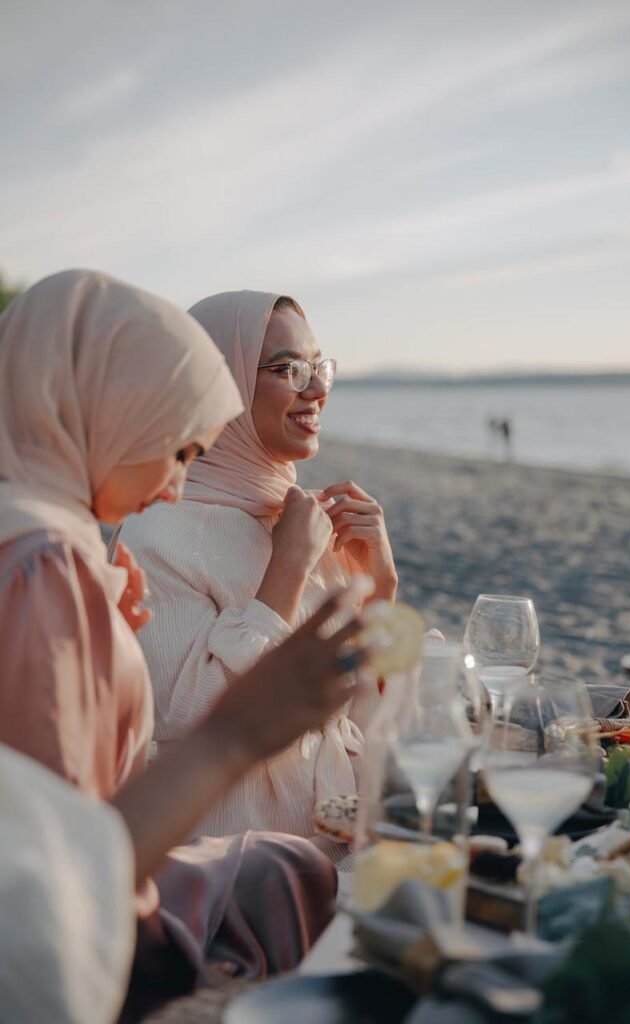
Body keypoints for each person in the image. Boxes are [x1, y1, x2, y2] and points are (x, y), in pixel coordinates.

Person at [0, 270, 365, 1020]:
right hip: (86, 931)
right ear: (104, 407)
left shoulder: (55, 544)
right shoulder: (46, 560)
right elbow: (53, 864)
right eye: (174, 445)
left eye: (316, 366)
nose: (175, 483)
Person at [0, 595, 371, 1024]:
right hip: (88, 916)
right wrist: (227, 739)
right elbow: (45, 908)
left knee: (286, 866)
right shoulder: (44, 566)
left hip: (104, 876)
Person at [119, 290, 398, 849]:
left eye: (318, 366)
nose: (316, 388)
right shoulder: (159, 535)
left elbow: (364, 725)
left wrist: (381, 594)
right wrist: (287, 569)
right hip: (234, 874)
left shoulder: (305, 519)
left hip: (340, 850)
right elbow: (189, 725)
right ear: (221, 388)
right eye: (288, 369)